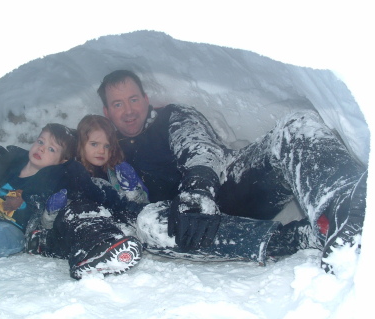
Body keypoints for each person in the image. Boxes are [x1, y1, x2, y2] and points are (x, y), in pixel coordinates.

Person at [96, 69, 367, 274]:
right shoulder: (107, 150)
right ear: (107, 112)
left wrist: (198, 189)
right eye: (118, 104)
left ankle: (348, 209)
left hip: (229, 187)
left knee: (296, 127)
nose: (129, 110)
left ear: (145, 99)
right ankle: (303, 237)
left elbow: (197, 145)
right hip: (189, 227)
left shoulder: (171, 116)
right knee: (147, 222)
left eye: (133, 99)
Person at [0, 123, 143, 280]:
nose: (41, 148)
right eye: (40, 141)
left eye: (51, 149)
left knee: (0, 238)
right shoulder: (10, 163)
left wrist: (30, 208)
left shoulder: (50, 180)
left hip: (14, 229)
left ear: (61, 161)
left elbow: (46, 214)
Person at [76, 114, 149, 204]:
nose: (102, 151)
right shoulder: (74, 172)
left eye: (107, 146)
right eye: (94, 144)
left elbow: (144, 204)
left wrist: (132, 191)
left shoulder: (117, 171)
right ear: (81, 144)